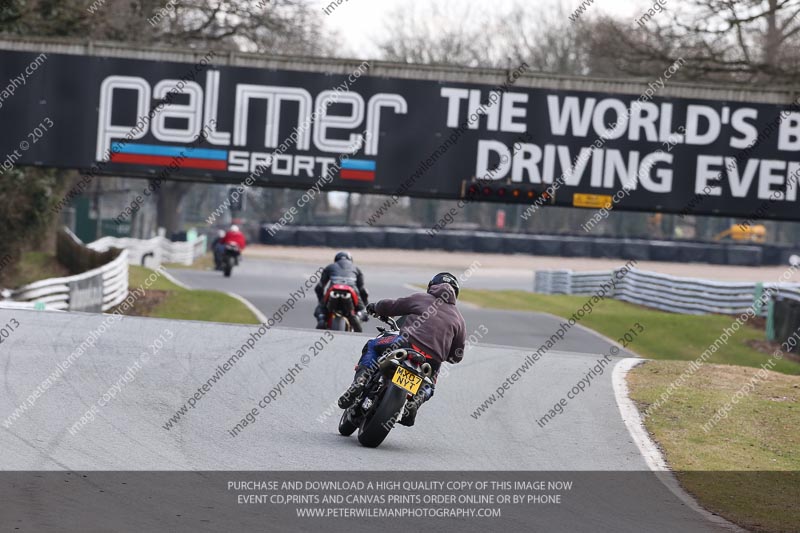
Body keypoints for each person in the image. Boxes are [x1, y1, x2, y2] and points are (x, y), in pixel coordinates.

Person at [337, 272, 466, 427]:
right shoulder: (459, 319)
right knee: (429, 385)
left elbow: (392, 306)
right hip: (432, 361)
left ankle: (360, 380)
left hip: (405, 344)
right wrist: (444, 352)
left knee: (372, 345)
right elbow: (457, 356)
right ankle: (416, 401)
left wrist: (375, 307)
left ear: (432, 286)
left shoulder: (420, 298)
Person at [313, 251, 369, 330]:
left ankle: (322, 318)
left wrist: (322, 302)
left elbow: (319, 287)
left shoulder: (330, 267)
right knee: (363, 310)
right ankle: (358, 316)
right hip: (351, 290)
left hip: (333, 289)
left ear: (336, 259)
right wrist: (364, 305)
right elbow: (363, 290)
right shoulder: (356, 268)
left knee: (320, 309)